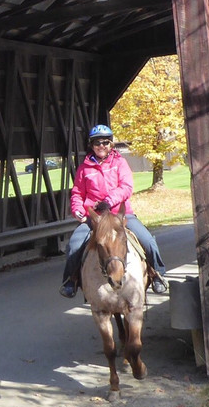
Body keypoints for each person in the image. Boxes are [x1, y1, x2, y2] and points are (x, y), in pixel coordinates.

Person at [59, 124, 169, 298]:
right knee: (74, 245)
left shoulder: (120, 163)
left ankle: (158, 275)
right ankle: (70, 281)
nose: (101, 146)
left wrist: (109, 201)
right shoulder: (84, 168)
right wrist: (78, 210)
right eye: (97, 143)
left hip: (120, 214)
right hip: (95, 217)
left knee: (148, 240)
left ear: (111, 144)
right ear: (91, 145)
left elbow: (126, 187)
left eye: (105, 142)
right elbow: (78, 193)